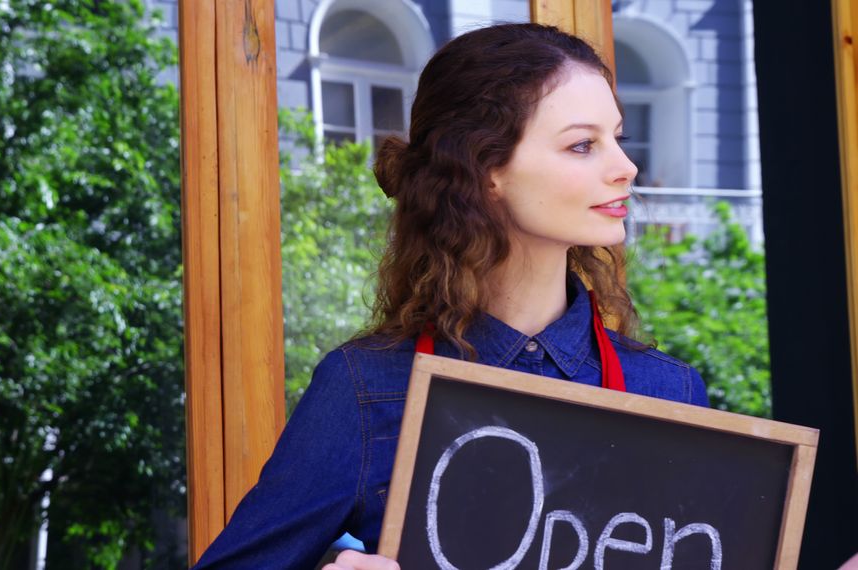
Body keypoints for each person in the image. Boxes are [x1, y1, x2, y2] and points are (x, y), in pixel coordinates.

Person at [192, 22, 708, 570]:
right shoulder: (367, 391)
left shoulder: (670, 391)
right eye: (583, 145)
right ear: (485, 169)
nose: (626, 169)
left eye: (618, 139)